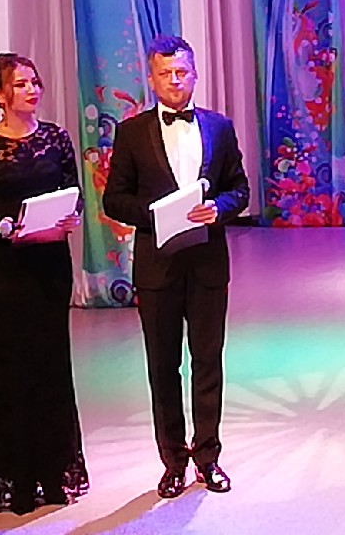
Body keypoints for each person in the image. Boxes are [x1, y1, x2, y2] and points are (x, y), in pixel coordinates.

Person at [103, 35, 249, 498]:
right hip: (158, 266)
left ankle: (208, 456)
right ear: (151, 79)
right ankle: (172, 462)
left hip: (207, 264)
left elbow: (240, 188)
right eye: (165, 74)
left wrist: (219, 208)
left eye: (181, 72)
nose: (174, 81)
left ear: (195, 75)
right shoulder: (132, 133)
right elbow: (113, 199)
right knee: (163, 367)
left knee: (208, 362)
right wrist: (157, 214)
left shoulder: (220, 127)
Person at [0, 53, 89, 514]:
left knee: (52, 366)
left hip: (50, 262)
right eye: (21, 84)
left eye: (34, 82)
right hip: (4, 268)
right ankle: (17, 481)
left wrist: (69, 218)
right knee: (12, 369)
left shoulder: (57, 138)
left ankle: (56, 475)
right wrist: (0, 226)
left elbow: (75, 194)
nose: (32, 90)